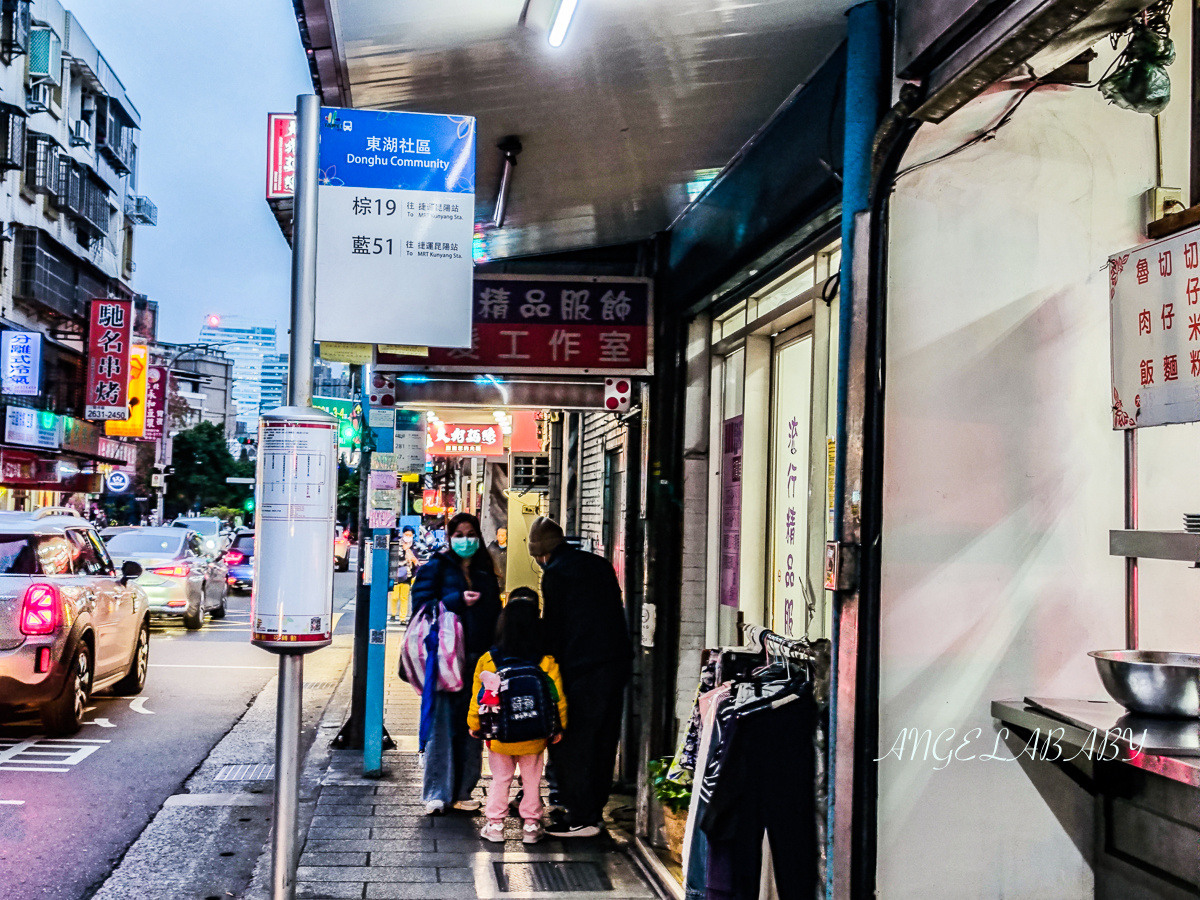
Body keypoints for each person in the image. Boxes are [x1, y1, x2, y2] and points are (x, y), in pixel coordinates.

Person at [527, 516, 633, 838]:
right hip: (615, 664)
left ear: (542, 553)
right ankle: (594, 813)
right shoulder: (599, 565)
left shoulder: (556, 574)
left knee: (575, 743)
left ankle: (581, 817)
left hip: (581, 669)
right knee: (603, 740)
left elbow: (556, 626)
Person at [409, 512, 502, 815]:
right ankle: (437, 791)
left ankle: (463, 791)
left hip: (479, 660)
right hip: (445, 659)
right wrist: (455, 601)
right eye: (459, 534)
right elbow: (420, 608)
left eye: (470, 533)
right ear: (449, 538)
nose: (466, 540)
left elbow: (495, 616)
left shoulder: (486, 571)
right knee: (442, 725)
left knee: (473, 727)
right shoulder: (435, 568)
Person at [467, 589, 568, 844]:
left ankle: (495, 825)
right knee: (532, 779)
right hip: (535, 735)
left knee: (501, 779)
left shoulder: (489, 659)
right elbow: (557, 699)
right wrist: (559, 728)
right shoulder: (545, 661)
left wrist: (475, 725)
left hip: (500, 735)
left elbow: (478, 697)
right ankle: (532, 827)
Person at [390, 526, 420, 623]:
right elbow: (392, 557)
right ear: (402, 534)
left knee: (404, 597)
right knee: (394, 596)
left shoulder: (414, 546)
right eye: (406, 534)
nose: (408, 537)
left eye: (410, 535)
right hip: (395, 573)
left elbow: (416, 561)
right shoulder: (396, 543)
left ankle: (402, 618)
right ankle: (393, 614)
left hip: (407, 574)